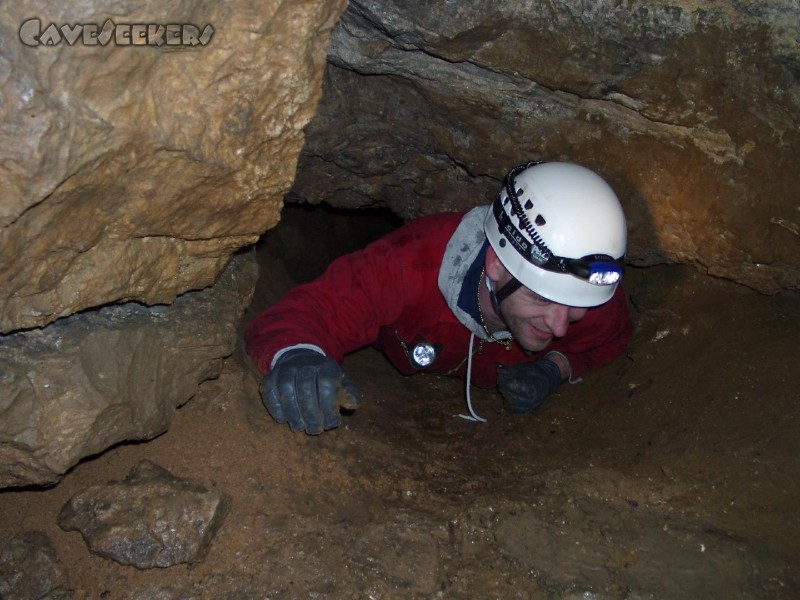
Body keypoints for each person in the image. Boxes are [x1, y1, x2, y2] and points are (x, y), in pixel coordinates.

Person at [245, 161, 632, 434]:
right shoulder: (410, 263)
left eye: (575, 307)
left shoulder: (586, 294)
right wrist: (299, 356)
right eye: (541, 299)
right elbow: (311, 311)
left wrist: (555, 367)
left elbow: (611, 339)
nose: (560, 326)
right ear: (496, 265)